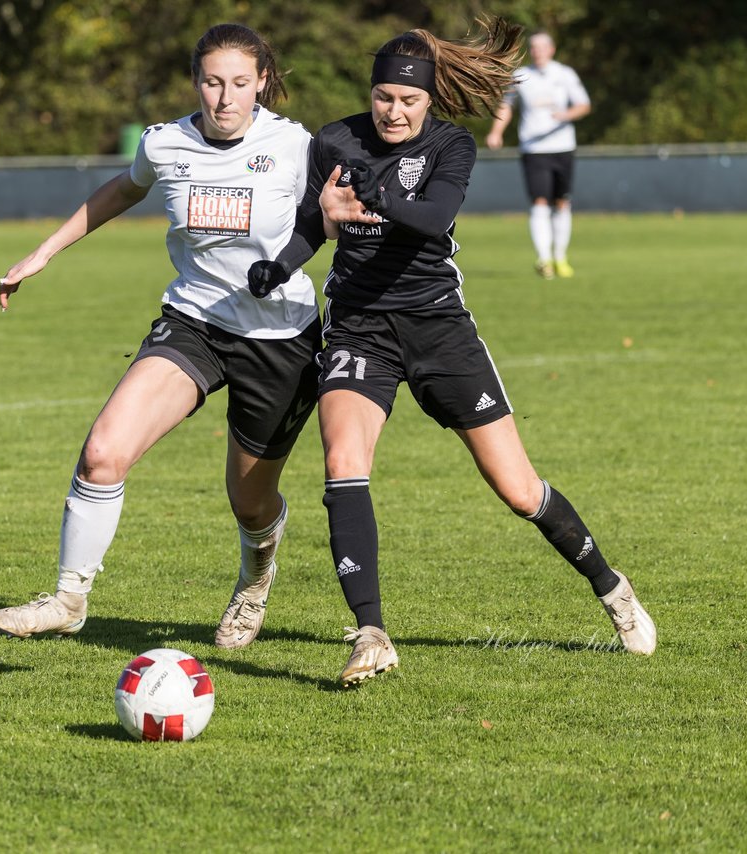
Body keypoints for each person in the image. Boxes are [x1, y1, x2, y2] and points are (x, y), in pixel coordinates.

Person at [248, 18, 655, 687]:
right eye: (384, 97)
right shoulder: (334, 140)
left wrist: (378, 193)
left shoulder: (451, 145)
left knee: (518, 489)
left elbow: (433, 218)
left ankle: (611, 587)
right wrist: (281, 265)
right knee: (343, 463)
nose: (394, 110)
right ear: (371, 92)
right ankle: (371, 633)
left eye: (408, 100)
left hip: (439, 328)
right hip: (359, 329)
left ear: (429, 98)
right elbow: (317, 224)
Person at [0, 24, 320, 649]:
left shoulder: (296, 146)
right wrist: (44, 252)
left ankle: (254, 582)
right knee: (103, 452)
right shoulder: (165, 144)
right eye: (213, 82)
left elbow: (338, 216)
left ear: (263, 84)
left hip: (280, 339)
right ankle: (69, 597)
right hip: (193, 323)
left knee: (250, 503)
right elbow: (122, 189)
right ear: (195, 82)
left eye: (240, 84)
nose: (225, 98)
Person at [485, 31, 590, 279]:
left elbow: (583, 105)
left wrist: (566, 115)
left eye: (543, 47)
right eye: (533, 47)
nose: (538, 51)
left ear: (551, 50)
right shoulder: (520, 76)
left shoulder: (564, 74)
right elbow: (506, 106)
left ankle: (560, 257)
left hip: (562, 147)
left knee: (562, 202)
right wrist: (496, 132)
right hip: (533, 150)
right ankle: (544, 259)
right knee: (539, 201)